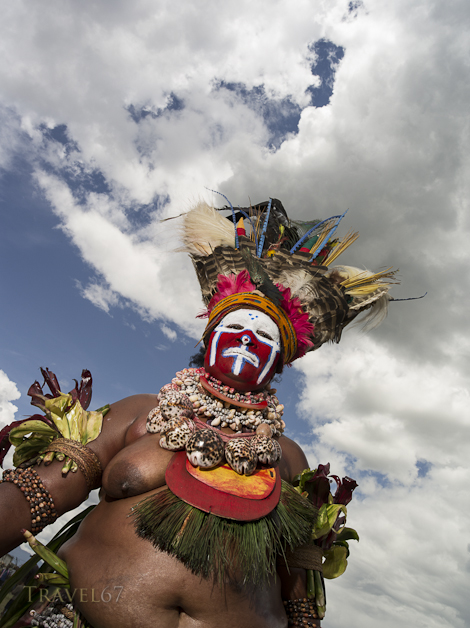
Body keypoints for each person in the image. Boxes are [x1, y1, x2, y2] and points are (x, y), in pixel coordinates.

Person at [0, 198, 396, 628]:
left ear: (282, 357)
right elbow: (36, 495)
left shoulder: (288, 458)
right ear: (210, 336)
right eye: (237, 328)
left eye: (262, 336)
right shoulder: (143, 412)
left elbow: (296, 585)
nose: (246, 341)